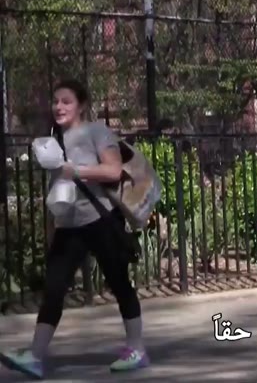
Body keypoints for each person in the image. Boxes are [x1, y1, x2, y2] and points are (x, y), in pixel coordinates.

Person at [0, 79, 149, 379]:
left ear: (81, 105)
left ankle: (137, 349)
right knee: (53, 289)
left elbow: (113, 171)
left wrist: (77, 170)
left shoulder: (96, 132)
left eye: (66, 101)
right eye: (56, 101)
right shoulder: (53, 139)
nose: (59, 107)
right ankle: (35, 356)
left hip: (101, 220)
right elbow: (56, 186)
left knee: (119, 283)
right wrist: (52, 228)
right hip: (68, 227)